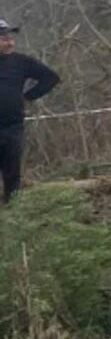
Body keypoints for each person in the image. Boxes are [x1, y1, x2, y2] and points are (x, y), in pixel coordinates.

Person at [0, 18, 60, 202]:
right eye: (3, 38)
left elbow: (50, 78)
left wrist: (28, 97)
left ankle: (14, 212)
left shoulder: (21, 62)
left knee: (12, 174)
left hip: (12, 127)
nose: (10, 42)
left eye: (11, 38)